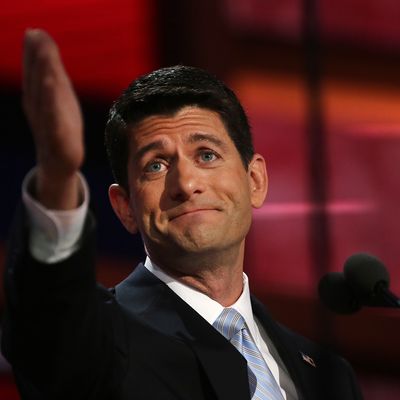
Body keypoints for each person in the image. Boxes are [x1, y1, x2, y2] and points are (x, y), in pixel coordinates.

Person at [2, 29, 363, 400]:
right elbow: (47, 318)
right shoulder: (100, 337)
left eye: (207, 155)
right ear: (125, 207)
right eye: (155, 166)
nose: (186, 184)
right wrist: (58, 178)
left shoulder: (330, 376)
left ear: (254, 180)